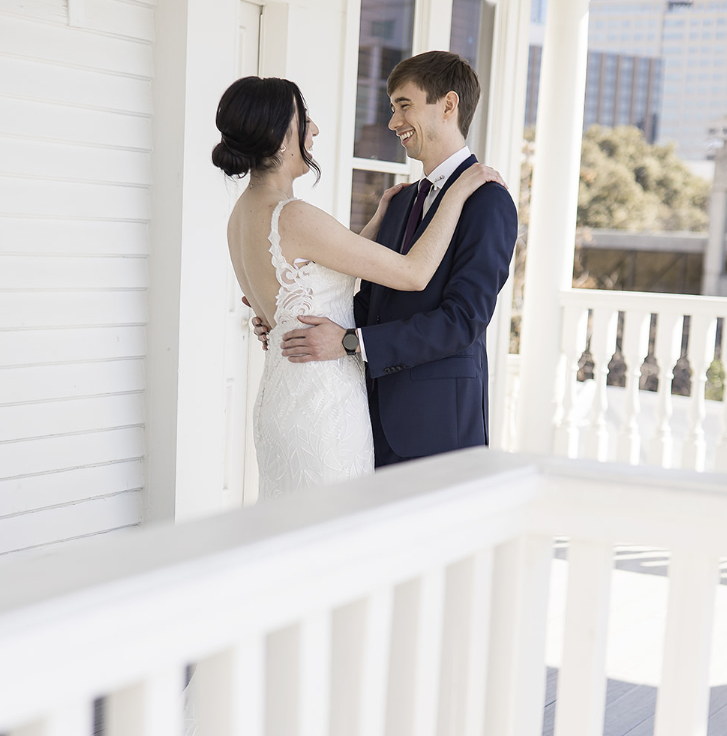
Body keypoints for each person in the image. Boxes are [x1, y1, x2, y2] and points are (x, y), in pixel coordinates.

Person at [212, 75, 503, 499]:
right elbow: (413, 273)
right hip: (321, 406)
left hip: (284, 397)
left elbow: (320, 269)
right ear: (279, 135)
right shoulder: (294, 215)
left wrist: (275, 321)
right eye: (304, 119)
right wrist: (457, 193)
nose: (313, 129)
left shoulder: (242, 214)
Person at [275, 51, 519, 466]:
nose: (392, 122)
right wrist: (294, 311)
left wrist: (351, 342)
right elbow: (372, 302)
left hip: (439, 424)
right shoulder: (401, 200)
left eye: (404, 105)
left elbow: (462, 321)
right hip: (368, 416)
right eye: (392, 108)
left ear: (448, 104)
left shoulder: (488, 201)